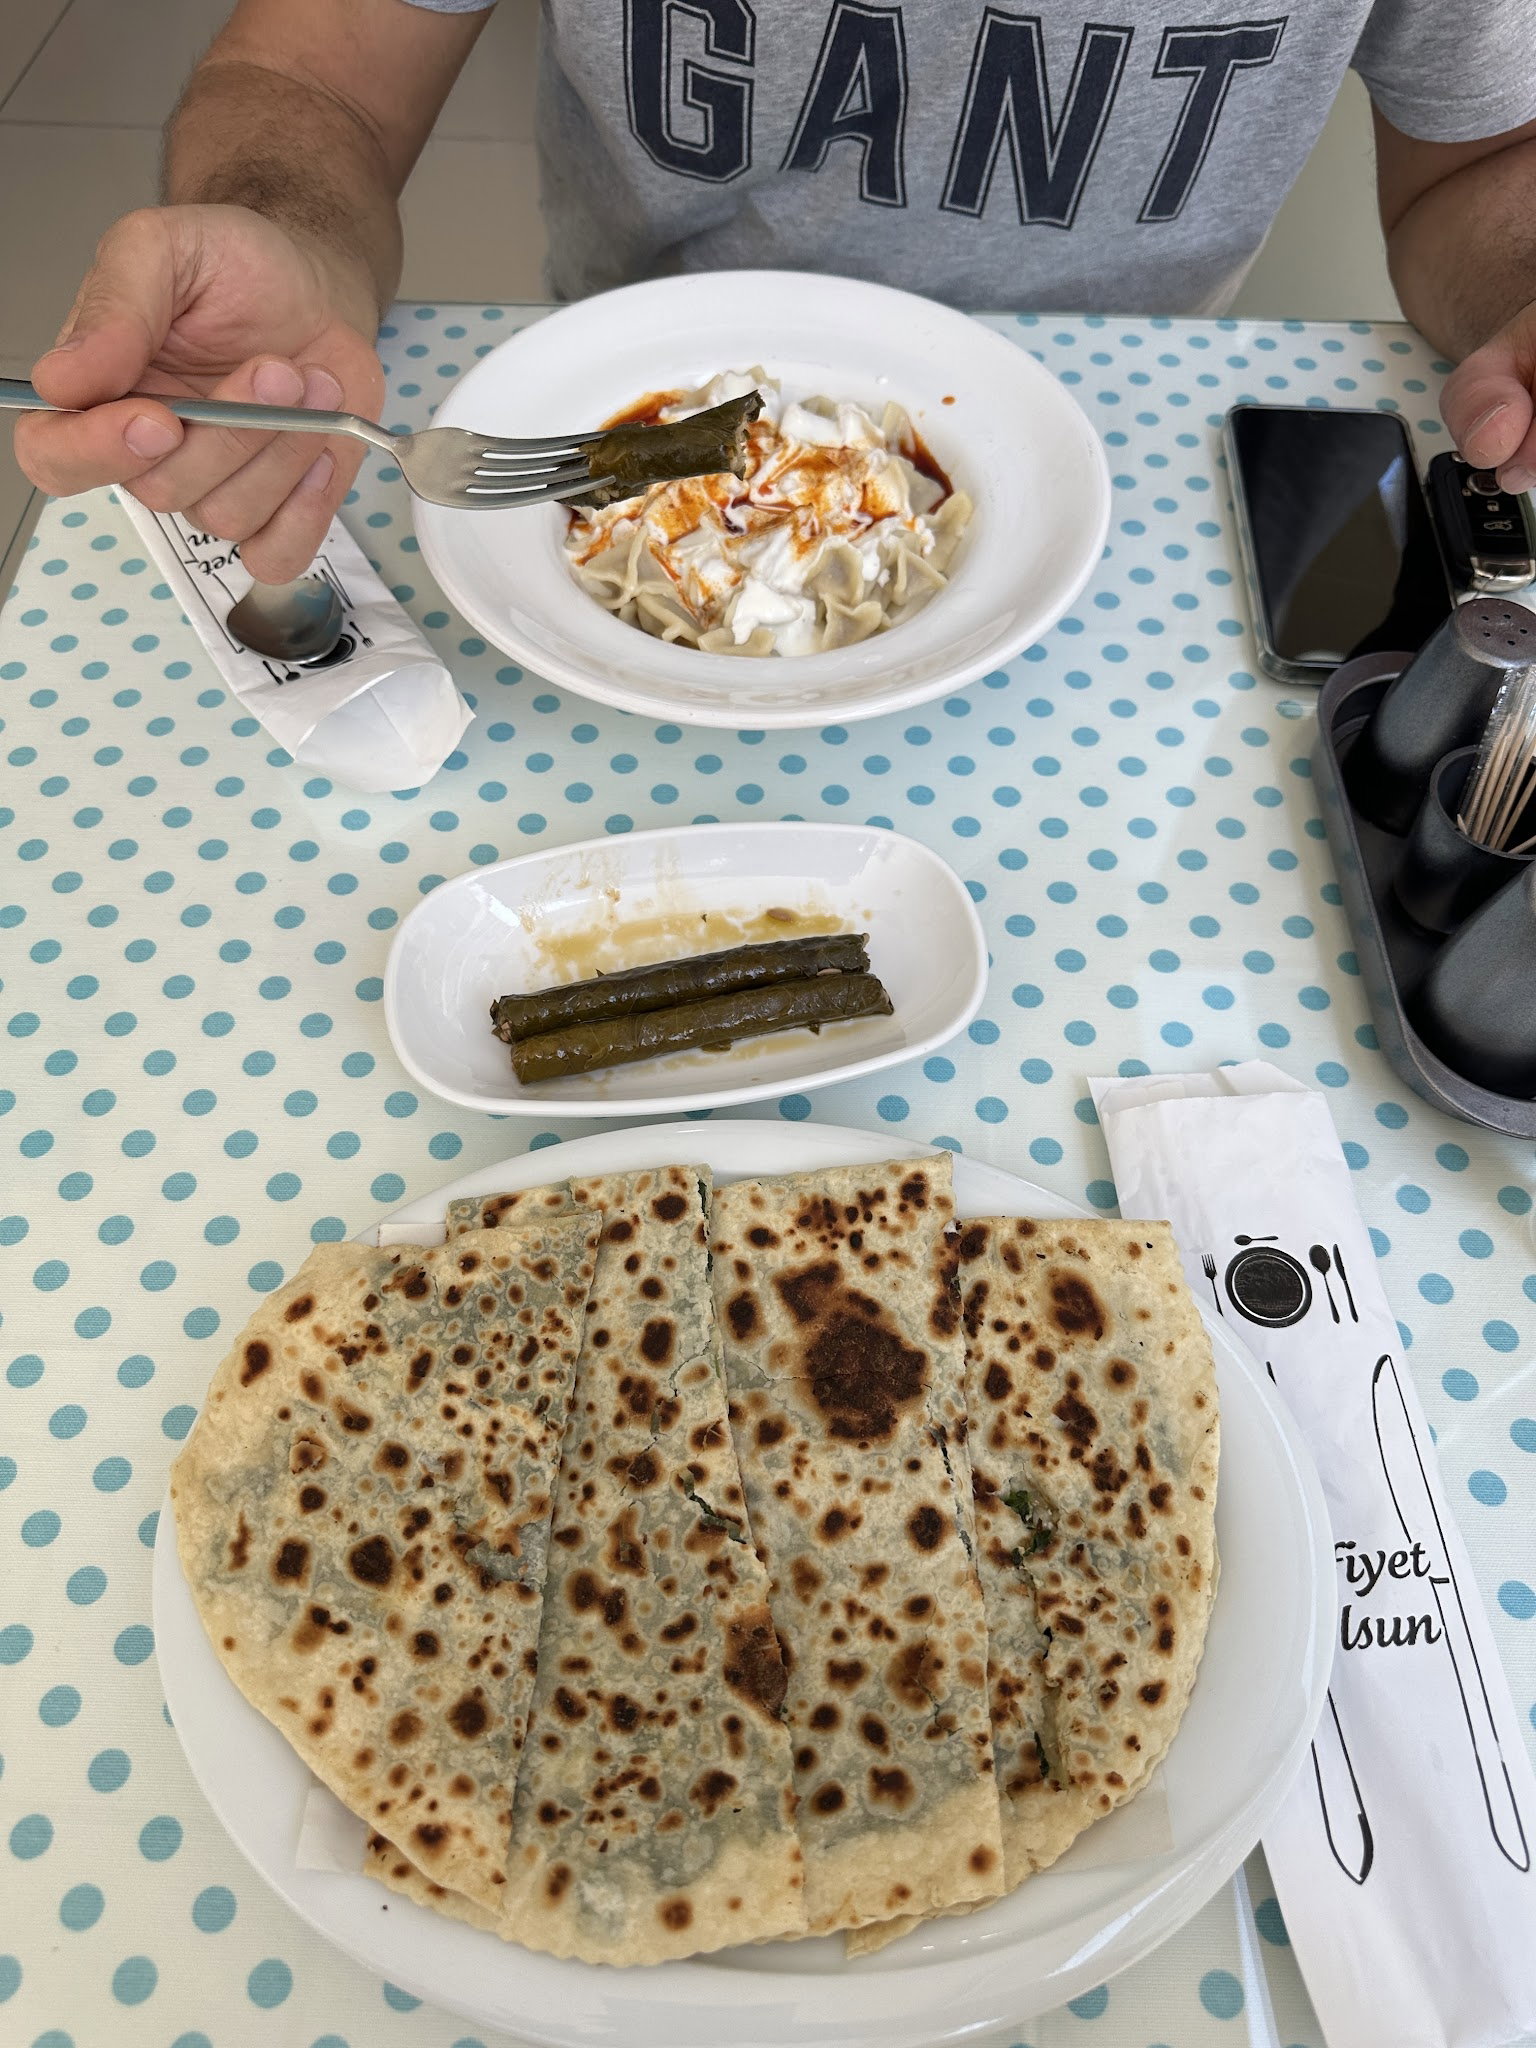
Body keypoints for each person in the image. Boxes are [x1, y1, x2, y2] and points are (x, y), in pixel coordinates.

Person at [14, 0, 1536, 583]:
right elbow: (313, 75)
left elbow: (1486, 168)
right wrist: (283, 226)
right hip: (619, 472)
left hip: (1130, 498)